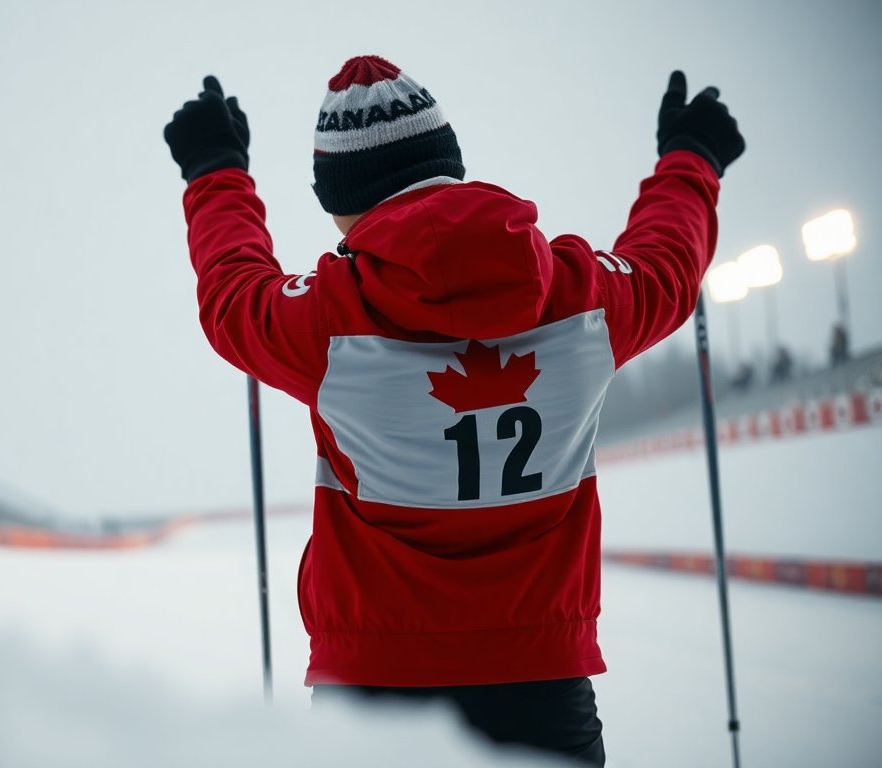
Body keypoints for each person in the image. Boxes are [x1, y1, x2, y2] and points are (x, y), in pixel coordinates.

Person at [164, 57, 743, 765]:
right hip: (544, 690)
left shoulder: (327, 323)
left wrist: (216, 170)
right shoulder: (583, 299)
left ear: (341, 200)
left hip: (372, 692)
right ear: (450, 164)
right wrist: (691, 159)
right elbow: (668, 263)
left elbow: (232, 290)